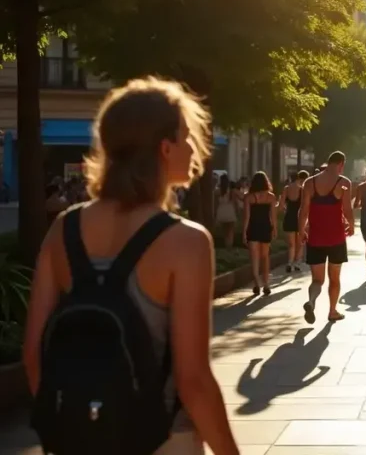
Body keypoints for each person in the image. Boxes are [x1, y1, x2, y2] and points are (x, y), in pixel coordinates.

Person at [22, 77, 238, 455]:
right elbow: (193, 380)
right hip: (165, 437)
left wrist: (75, 427)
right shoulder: (185, 241)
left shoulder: (64, 229)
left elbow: (33, 352)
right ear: (165, 147)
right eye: (187, 135)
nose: (194, 148)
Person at [298, 151, 355, 323]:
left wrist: (301, 230)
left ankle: (311, 301)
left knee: (317, 280)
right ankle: (332, 311)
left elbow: (303, 210)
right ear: (341, 164)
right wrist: (351, 225)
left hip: (315, 238)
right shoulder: (344, 183)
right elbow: (347, 209)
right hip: (336, 238)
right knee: (334, 278)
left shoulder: (309, 183)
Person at [243, 171, 277, 295]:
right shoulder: (271, 197)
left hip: (253, 228)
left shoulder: (249, 197)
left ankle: (257, 282)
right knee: (265, 257)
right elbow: (273, 216)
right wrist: (275, 229)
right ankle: (266, 284)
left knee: (254, 257)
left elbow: (246, 217)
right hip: (265, 227)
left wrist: (244, 232)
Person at [279, 171, 308, 273]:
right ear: (299, 179)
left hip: (289, 216)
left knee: (291, 244)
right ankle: (297, 263)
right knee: (299, 242)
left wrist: (285, 209)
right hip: (300, 218)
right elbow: (305, 205)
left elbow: (281, 205)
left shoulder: (286, 189)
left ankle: (289, 262)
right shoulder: (302, 190)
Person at [214, 174, 240, 248]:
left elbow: (215, 204)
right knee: (230, 231)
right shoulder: (232, 192)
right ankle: (229, 245)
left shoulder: (217, 191)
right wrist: (237, 212)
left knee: (224, 231)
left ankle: (226, 245)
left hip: (221, 211)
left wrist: (215, 213)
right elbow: (235, 203)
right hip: (230, 211)